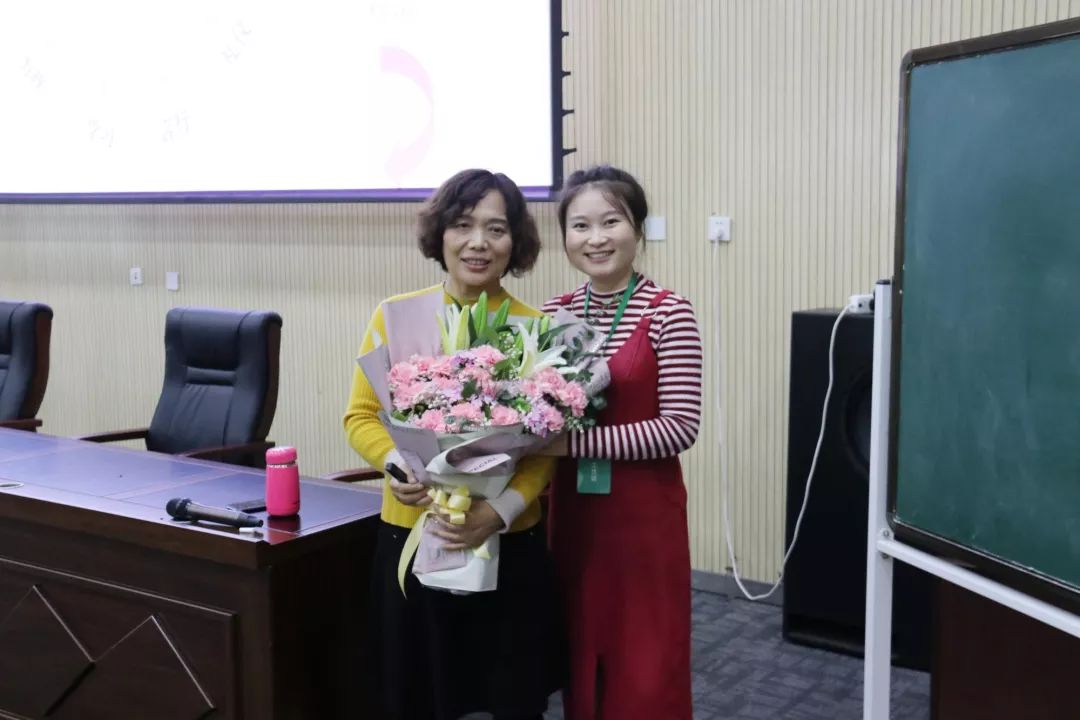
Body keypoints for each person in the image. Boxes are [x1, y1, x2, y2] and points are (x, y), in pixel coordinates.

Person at [344, 169, 562, 720]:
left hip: (509, 540)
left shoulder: (536, 329)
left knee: (510, 698)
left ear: (515, 241)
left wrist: (497, 511)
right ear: (440, 234)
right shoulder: (395, 317)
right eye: (463, 225)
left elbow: (545, 448)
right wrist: (398, 466)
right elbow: (361, 417)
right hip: (416, 530)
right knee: (417, 696)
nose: (478, 242)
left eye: (496, 229)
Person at [541, 164, 703, 719]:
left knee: (645, 664)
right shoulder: (554, 314)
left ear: (638, 227)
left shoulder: (669, 313)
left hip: (642, 519)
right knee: (581, 648)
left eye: (611, 221)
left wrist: (570, 448)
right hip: (574, 513)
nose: (596, 238)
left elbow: (680, 426)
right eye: (580, 225)